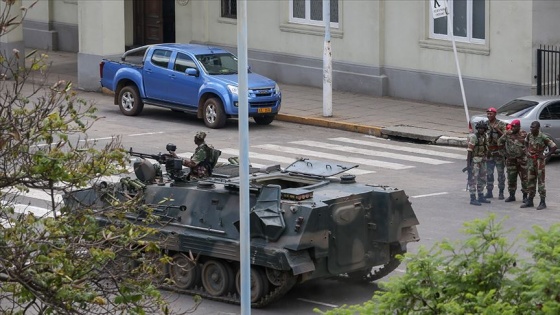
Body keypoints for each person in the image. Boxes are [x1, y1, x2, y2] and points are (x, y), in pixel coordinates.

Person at [521, 121, 557, 210]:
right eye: (531, 127)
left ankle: (542, 202)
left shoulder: (543, 137)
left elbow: (554, 147)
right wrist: (526, 151)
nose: (531, 128)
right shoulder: (529, 135)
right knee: (530, 180)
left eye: (533, 127)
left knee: (541, 182)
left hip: (539, 161)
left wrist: (545, 155)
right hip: (531, 161)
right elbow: (525, 143)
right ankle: (530, 200)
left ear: (538, 128)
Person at [498, 119, 528, 202]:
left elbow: (529, 144)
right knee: (511, 178)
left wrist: (527, 153)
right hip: (511, 160)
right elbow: (500, 142)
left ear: (519, 126)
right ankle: (512, 195)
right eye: (512, 126)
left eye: (514, 126)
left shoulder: (524, 134)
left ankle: (525, 196)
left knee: (524, 179)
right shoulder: (508, 133)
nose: (513, 128)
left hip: (522, 160)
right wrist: (504, 154)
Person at [484, 107, 508, 199]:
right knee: (489, 174)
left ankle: (501, 192)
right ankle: (489, 191)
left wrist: (498, 130)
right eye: (488, 114)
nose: (489, 115)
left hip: (498, 152)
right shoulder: (485, 124)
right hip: (489, 153)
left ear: (495, 114)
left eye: (491, 114)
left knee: (500, 174)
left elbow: (505, 137)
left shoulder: (500, 124)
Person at [466, 120, 491, 206]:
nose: (481, 130)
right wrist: (468, 165)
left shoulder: (485, 136)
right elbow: (469, 151)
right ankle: (473, 198)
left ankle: (480, 195)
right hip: (475, 161)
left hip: (483, 161)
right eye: (479, 128)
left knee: (483, 179)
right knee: (473, 180)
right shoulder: (474, 137)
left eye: (483, 128)